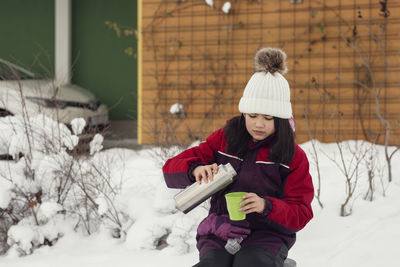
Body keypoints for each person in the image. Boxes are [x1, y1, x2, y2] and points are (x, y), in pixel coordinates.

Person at [162, 47, 314, 267]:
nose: (259, 124)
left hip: (267, 236)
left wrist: (266, 205)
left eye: (268, 118)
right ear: (243, 113)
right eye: (252, 115)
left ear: (280, 119)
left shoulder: (292, 156)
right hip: (220, 229)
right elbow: (170, 168)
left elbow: (301, 212)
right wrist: (195, 169)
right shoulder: (224, 140)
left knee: (250, 263)